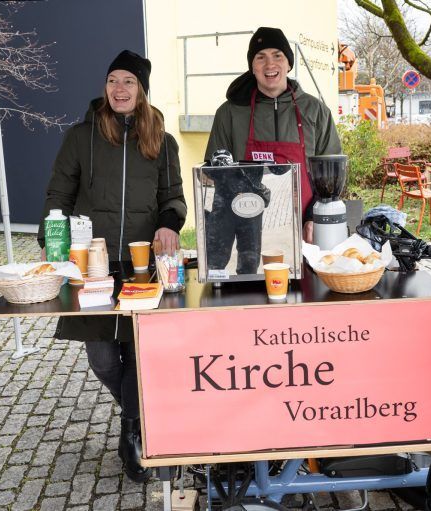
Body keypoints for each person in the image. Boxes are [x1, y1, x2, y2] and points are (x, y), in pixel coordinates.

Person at [38, 50, 186, 482]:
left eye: (129, 82)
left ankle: (132, 431)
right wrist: (53, 242)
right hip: (94, 266)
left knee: (140, 354)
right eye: (113, 81)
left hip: (142, 266)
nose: (119, 89)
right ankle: (141, 413)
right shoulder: (79, 137)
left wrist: (169, 225)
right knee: (103, 358)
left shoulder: (162, 139)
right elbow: (57, 196)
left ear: (141, 91)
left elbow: (173, 198)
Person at [204, 27, 341, 273]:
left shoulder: (316, 111)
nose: (270, 63)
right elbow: (215, 171)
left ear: (288, 63)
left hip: (308, 228)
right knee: (249, 293)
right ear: (252, 67)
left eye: (277, 55)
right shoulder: (230, 112)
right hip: (246, 223)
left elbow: (330, 175)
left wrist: (313, 216)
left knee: (309, 299)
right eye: (261, 57)